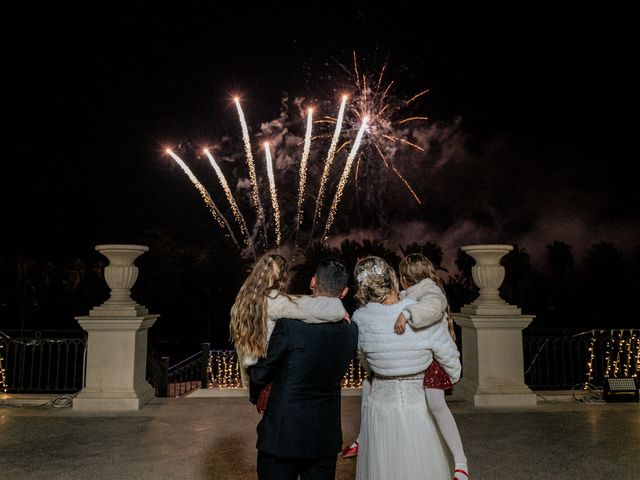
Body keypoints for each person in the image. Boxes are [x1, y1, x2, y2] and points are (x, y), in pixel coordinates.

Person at [351, 256, 461, 480]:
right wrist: (449, 377)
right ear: (392, 279)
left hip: (380, 409)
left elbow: (365, 361)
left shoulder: (360, 319)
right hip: (418, 408)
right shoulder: (418, 311)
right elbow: (449, 358)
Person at [249, 257, 358, 480]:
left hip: (282, 435)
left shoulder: (289, 325)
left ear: (312, 282)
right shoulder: (350, 329)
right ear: (344, 292)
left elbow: (260, 373)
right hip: (324, 437)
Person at [393, 252, 469, 480]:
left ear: (407, 276)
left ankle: (461, 463)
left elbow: (433, 308)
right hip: (422, 357)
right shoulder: (411, 293)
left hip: (436, 359)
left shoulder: (430, 291)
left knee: (436, 404)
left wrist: (407, 313)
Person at [230, 253, 348, 387]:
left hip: (252, 373)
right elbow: (310, 310)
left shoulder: (242, 302)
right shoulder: (274, 301)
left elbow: (295, 300)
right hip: (266, 377)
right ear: (283, 278)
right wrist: (338, 308)